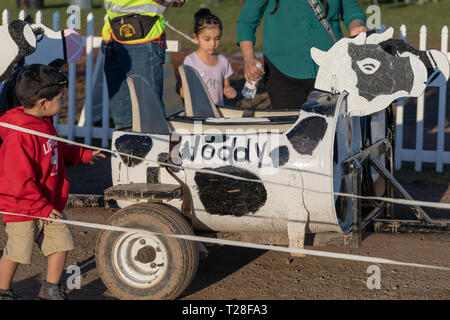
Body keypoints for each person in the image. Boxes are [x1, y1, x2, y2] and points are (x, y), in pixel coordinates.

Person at [0, 64, 105, 300]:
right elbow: (19, 182)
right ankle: (3, 291)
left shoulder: (44, 123)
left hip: (47, 205)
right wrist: (41, 208)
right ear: (42, 103)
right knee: (17, 252)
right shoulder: (20, 136)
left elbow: (56, 150)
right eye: (60, 98)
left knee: (61, 243)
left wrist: (83, 154)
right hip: (24, 208)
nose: (63, 102)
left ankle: (49, 289)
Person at [236, 0, 368, 108]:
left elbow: (353, 13)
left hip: (332, 73)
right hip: (282, 75)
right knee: (290, 133)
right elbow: (246, 22)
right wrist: (249, 59)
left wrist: (357, 26)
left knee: (333, 132)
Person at [102, 0, 185, 130]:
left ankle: (156, 149)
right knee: (123, 122)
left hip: (145, 36)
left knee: (150, 117)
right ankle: (126, 149)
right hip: (113, 35)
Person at [179, 8, 237, 106]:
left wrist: (228, 90)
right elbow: (181, 91)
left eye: (217, 39)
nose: (213, 43)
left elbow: (226, 85)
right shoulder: (190, 61)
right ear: (196, 38)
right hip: (197, 115)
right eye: (207, 39)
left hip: (217, 114)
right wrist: (184, 92)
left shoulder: (223, 61)